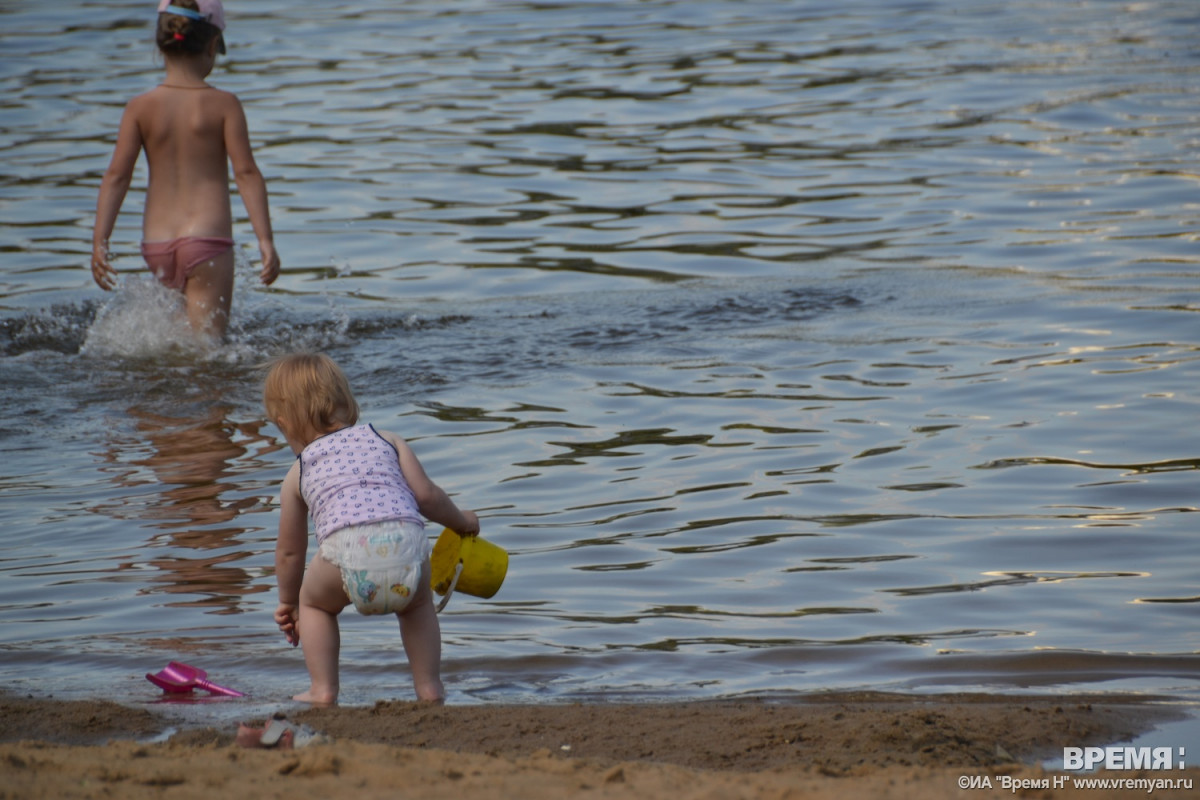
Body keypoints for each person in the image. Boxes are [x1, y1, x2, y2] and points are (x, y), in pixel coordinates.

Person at [262, 353, 480, 705]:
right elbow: (426, 497)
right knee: (418, 604)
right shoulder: (387, 439)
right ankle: (429, 688)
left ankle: (323, 689)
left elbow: (289, 552)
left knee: (315, 604)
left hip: (346, 552)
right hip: (406, 544)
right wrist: (463, 522)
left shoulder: (298, 471)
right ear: (347, 402)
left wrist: (290, 602)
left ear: (285, 423)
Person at [91, 0, 280, 340]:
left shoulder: (139, 107)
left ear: (160, 43)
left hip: (157, 243)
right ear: (211, 45)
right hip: (206, 240)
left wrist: (100, 241)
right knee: (208, 354)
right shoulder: (224, 104)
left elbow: (116, 176)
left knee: (176, 343)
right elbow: (247, 173)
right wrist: (266, 240)